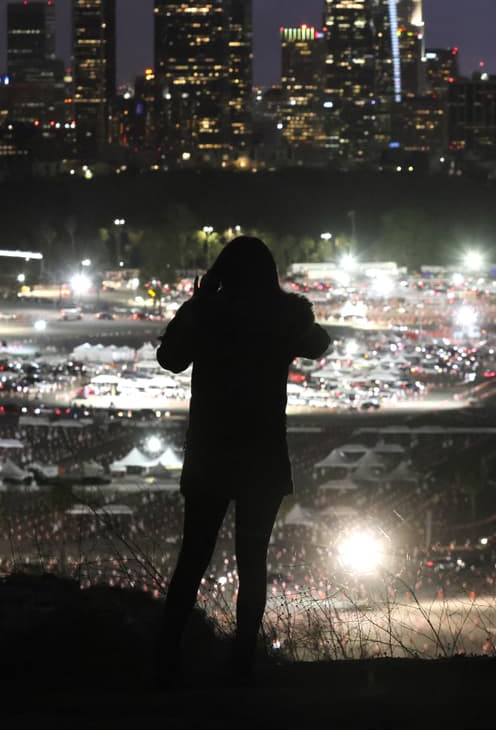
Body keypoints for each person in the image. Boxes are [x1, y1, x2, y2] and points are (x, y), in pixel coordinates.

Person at [154, 235, 332, 685]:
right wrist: (294, 313)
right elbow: (319, 344)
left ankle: (166, 660)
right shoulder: (283, 317)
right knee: (253, 563)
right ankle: (242, 666)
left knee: (193, 559)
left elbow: (169, 359)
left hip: (210, 452)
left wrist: (196, 305)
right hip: (263, 454)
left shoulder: (209, 314)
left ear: (222, 273)